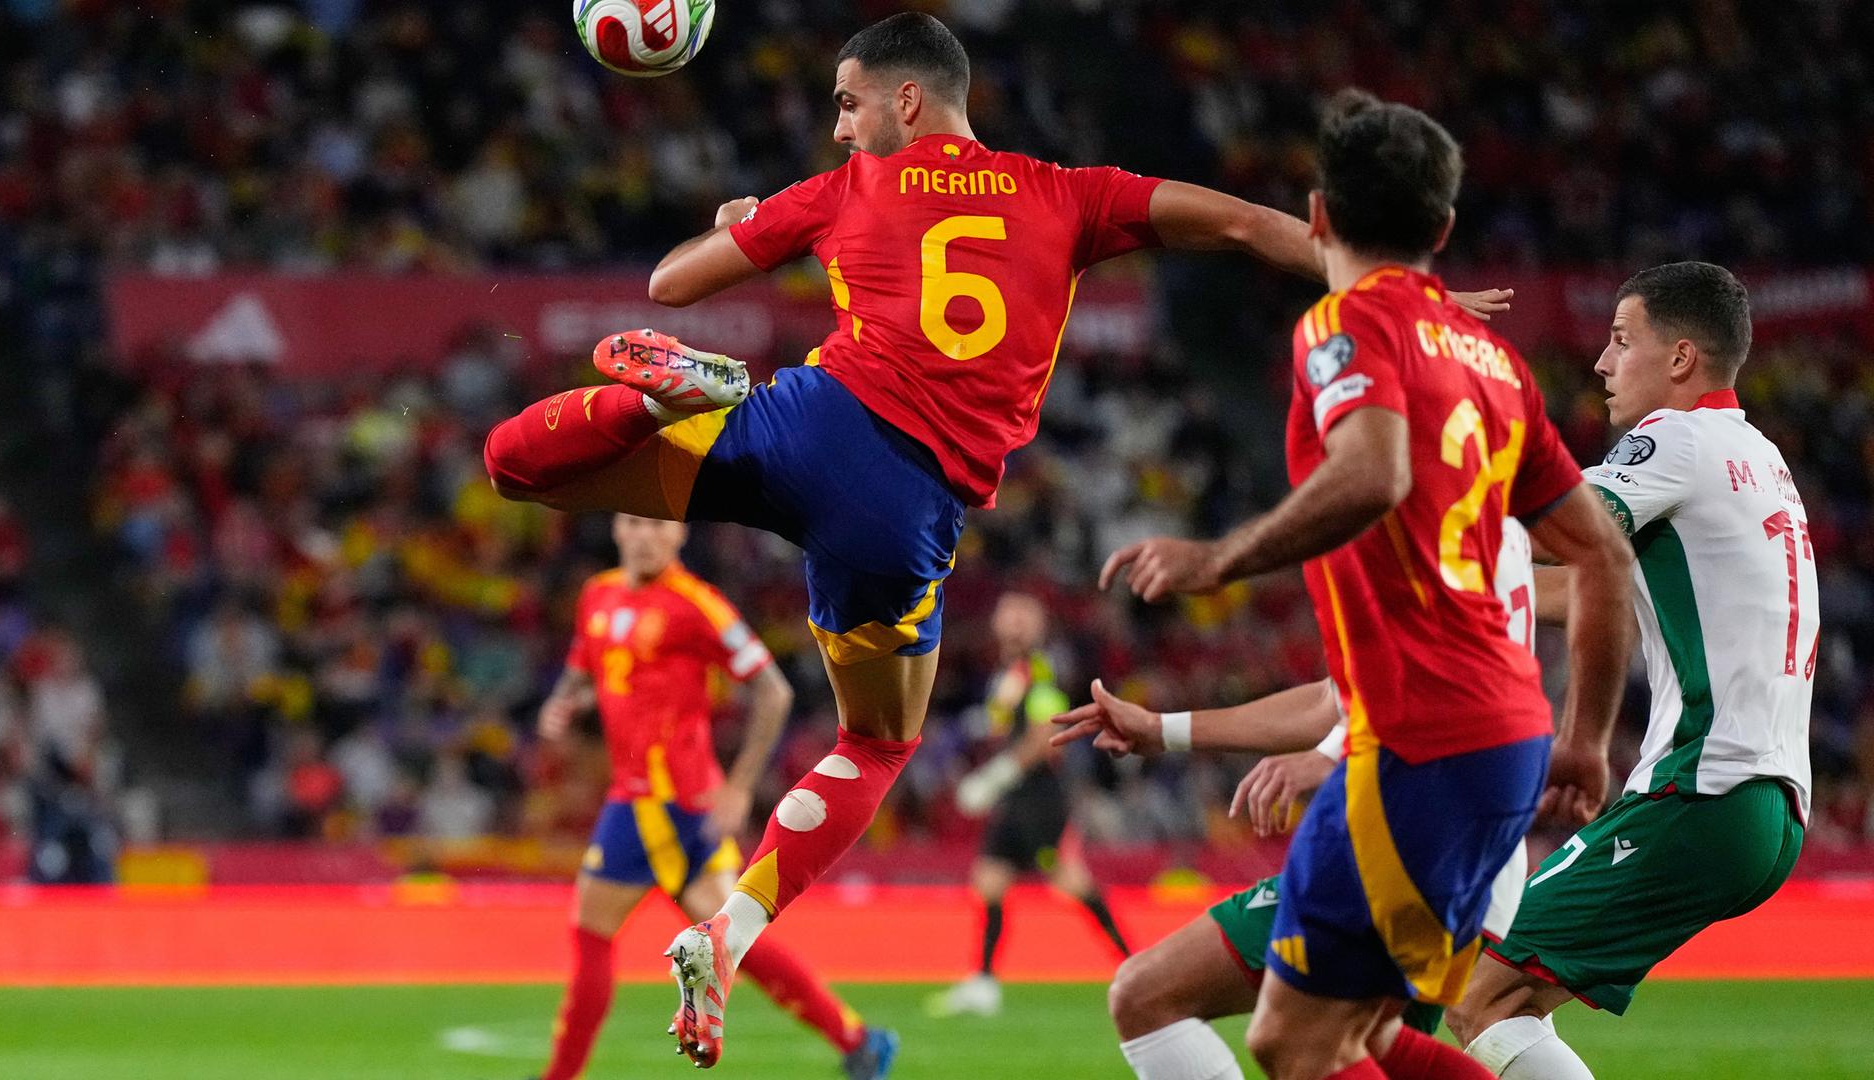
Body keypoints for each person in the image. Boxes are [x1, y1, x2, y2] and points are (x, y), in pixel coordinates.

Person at [482, 13, 1506, 1066]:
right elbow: (1245, 225)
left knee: (517, 464)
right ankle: (729, 932)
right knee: (876, 743)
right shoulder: (1072, 194)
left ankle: (661, 401)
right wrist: (1393, 292)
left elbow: (671, 284)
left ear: (907, 100)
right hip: (903, 507)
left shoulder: (840, 190)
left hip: (802, 424)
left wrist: (736, 223)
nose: (839, 129)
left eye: (847, 104)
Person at [1096, 90, 1636, 1080]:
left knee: (1293, 1040)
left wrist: (1218, 559)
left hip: (1422, 745)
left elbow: (1373, 472)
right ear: (1444, 229)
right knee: (1361, 1034)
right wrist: (1584, 740)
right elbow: (1602, 556)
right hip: (1498, 738)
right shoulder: (1496, 363)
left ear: (1317, 216)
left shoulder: (1345, 325)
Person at [1447, 263, 1814, 1079]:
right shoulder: (1756, 456)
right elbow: (1579, 583)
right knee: (1504, 996)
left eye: (1621, 340)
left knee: (1481, 995)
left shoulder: (1676, 440)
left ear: (1680, 358)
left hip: (1704, 786)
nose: (1602, 363)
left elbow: (1549, 532)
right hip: (1767, 800)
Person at [1054, 519, 1537, 1078]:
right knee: (1364, 1040)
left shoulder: (1420, 508)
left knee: (1173, 1003)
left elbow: (1446, 669)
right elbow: (1336, 698)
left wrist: (1332, 751)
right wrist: (1165, 729)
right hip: (1460, 828)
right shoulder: (1486, 513)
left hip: (1418, 826)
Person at [529, 514, 896, 1080]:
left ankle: (559, 1077)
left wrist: (741, 785)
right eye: (634, 523)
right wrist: (563, 703)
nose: (645, 536)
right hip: (660, 803)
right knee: (731, 938)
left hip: (660, 803)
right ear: (617, 530)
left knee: (592, 933)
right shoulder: (597, 595)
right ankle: (857, 1040)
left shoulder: (698, 605)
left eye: (658, 526)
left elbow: (773, 691)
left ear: (679, 535)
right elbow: (584, 668)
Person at [930, 591, 1130, 1019]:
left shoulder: (1040, 669)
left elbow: (1045, 735)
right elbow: (1006, 723)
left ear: (1039, 626)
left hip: (1039, 796)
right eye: (1010, 615)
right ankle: (984, 981)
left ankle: (1133, 965)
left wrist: (997, 775)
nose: (1016, 623)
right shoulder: (1008, 672)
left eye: (1025, 616)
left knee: (1070, 881)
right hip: (1016, 796)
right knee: (989, 880)